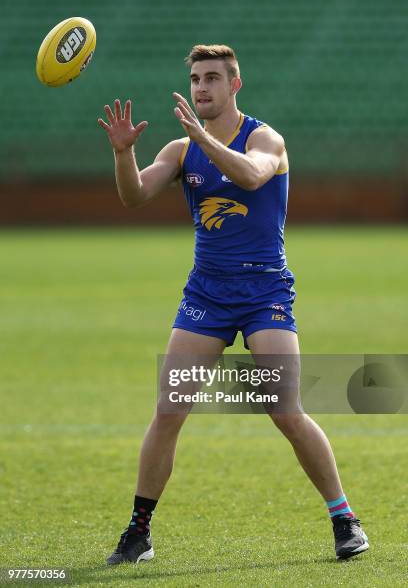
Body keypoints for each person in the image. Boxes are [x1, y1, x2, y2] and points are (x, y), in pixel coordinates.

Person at [97, 44, 369, 564]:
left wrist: (205, 140)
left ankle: (344, 519)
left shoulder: (265, 138)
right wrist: (122, 153)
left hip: (264, 292)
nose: (202, 88)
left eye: (212, 79)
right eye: (197, 79)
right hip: (207, 295)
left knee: (284, 409)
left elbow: (250, 175)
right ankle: (138, 532)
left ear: (235, 84)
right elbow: (133, 196)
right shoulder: (180, 150)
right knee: (169, 409)